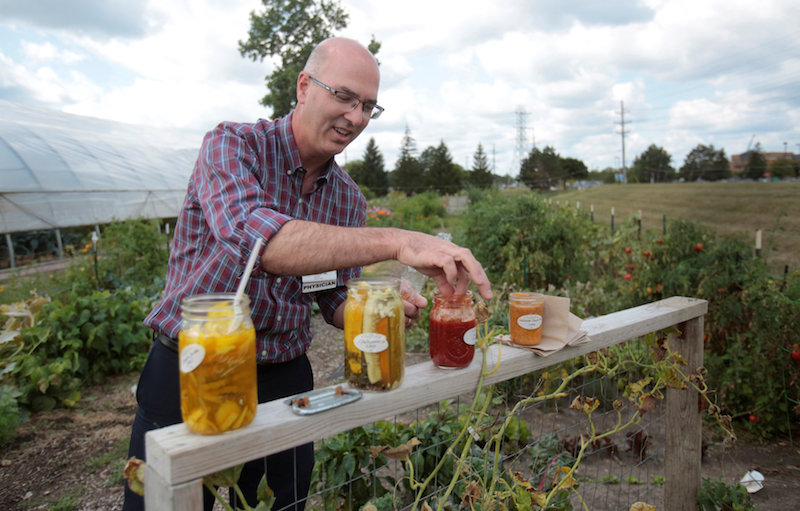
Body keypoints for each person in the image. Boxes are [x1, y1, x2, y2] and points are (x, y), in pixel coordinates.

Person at [123, 37, 492, 511]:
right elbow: (261, 241)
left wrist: (373, 303)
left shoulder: (348, 199)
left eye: (367, 107)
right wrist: (400, 241)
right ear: (303, 86)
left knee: (279, 504)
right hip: (191, 366)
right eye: (343, 96)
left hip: (282, 377)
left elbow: (332, 298)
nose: (355, 118)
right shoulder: (233, 146)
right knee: (163, 504)